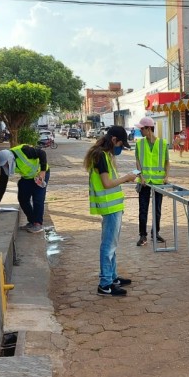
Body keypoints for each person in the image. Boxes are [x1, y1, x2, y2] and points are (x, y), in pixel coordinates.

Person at [84, 126, 136, 296]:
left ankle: (112, 278)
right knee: (108, 246)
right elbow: (107, 183)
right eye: (121, 144)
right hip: (109, 206)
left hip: (113, 206)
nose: (121, 147)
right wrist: (126, 178)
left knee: (112, 245)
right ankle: (105, 284)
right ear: (114, 140)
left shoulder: (104, 154)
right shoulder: (101, 155)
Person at [0, 143, 49, 234]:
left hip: (40, 174)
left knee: (38, 198)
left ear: (10, 159)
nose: (6, 166)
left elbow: (42, 153)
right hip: (27, 177)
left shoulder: (24, 151)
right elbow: (2, 181)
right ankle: (32, 221)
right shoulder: (5, 166)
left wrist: (42, 172)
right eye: (4, 164)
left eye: (7, 164)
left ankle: (38, 223)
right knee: (22, 198)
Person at [134, 117, 169, 246]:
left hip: (158, 182)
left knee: (157, 209)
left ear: (149, 129)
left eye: (142, 129)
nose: (140, 131)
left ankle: (156, 233)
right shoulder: (139, 144)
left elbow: (167, 162)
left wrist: (166, 176)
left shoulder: (163, 143)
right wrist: (141, 176)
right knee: (143, 209)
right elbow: (137, 162)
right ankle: (143, 236)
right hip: (144, 182)